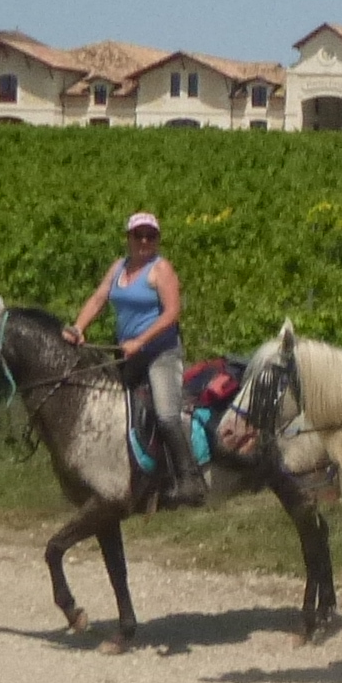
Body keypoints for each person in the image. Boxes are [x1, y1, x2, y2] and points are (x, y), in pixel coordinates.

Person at [73, 210, 205, 508]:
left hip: (161, 354)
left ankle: (190, 481)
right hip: (128, 354)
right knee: (111, 411)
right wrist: (78, 327)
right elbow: (98, 298)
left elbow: (172, 313)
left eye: (150, 236)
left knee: (166, 414)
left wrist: (141, 341)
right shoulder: (118, 268)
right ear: (128, 238)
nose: (144, 241)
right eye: (138, 235)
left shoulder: (161, 269)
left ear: (157, 239)